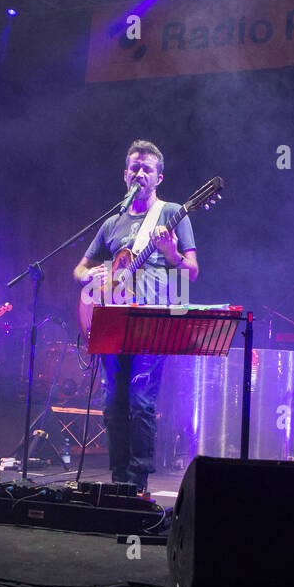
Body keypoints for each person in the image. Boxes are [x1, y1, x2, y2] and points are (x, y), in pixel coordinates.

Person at [73, 139, 198, 492]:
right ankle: (117, 480)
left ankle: (137, 484)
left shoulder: (173, 213)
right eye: (134, 167)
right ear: (124, 174)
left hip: (151, 322)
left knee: (141, 402)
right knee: (112, 404)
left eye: (147, 168)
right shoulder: (111, 223)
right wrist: (89, 276)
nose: (139, 173)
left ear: (159, 177)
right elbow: (80, 268)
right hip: (112, 322)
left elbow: (191, 272)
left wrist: (171, 253)